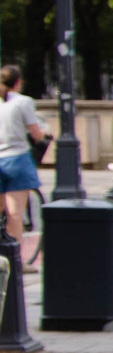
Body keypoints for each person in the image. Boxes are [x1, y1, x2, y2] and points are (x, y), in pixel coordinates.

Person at [0, 68, 48, 267]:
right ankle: (15, 262)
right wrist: (45, 134)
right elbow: (36, 134)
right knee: (14, 213)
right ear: (18, 82)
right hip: (16, 159)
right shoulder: (22, 102)